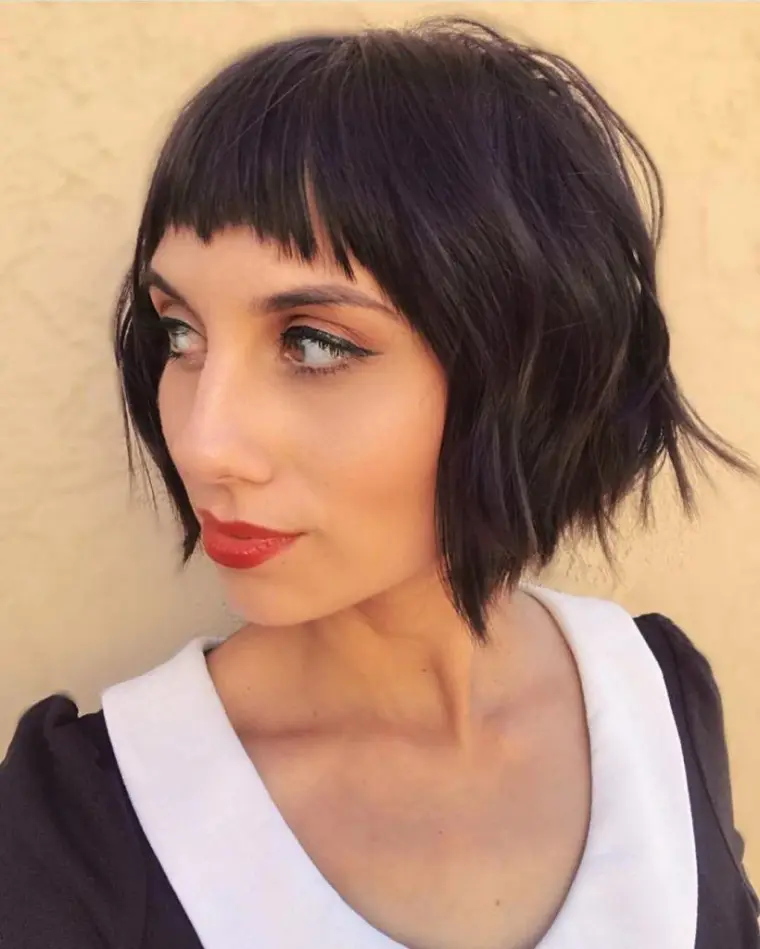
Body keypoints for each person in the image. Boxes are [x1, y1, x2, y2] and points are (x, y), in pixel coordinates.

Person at [0, 15, 757, 949]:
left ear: (527, 366)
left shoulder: (659, 700)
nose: (203, 443)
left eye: (314, 343)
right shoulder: (78, 828)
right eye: (180, 333)